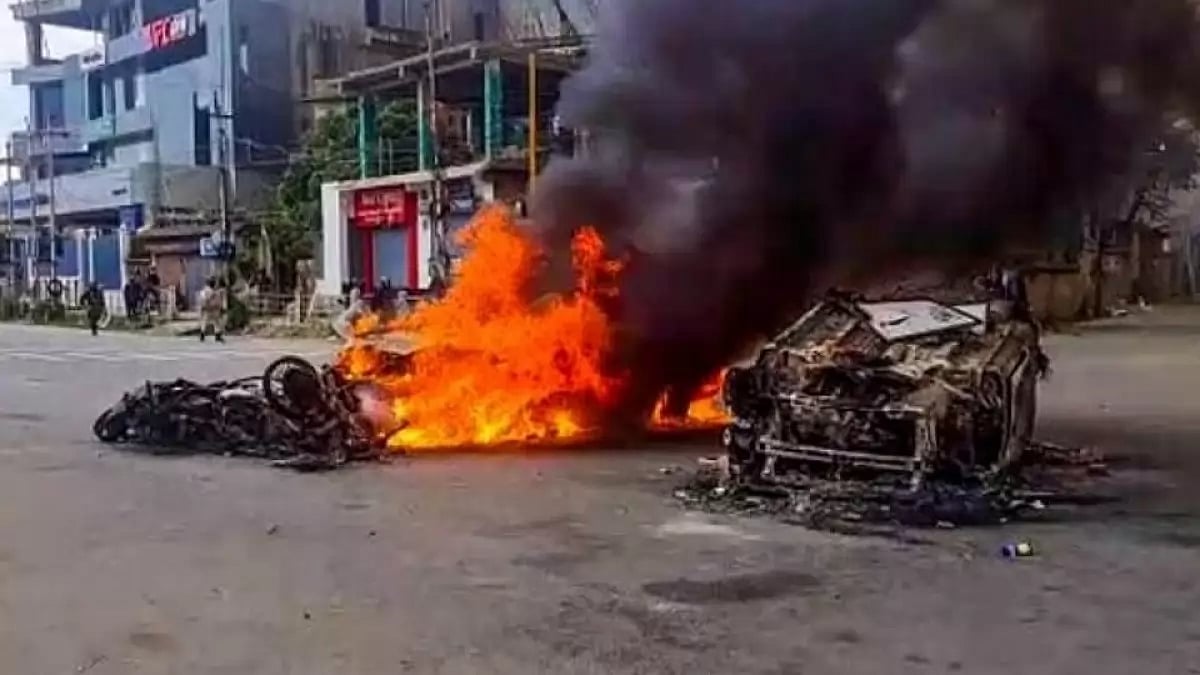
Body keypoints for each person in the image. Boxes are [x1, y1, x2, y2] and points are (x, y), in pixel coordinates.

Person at [198, 277, 226, 343]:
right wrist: (220, 307)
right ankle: (217, 336)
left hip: (207, 309)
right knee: (216, 322)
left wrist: (202, 308)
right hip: (214, 309)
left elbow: (202, 300)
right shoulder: (215, 291)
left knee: (205, 322)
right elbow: (218, 300)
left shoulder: (204, 291)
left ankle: (202, 335)